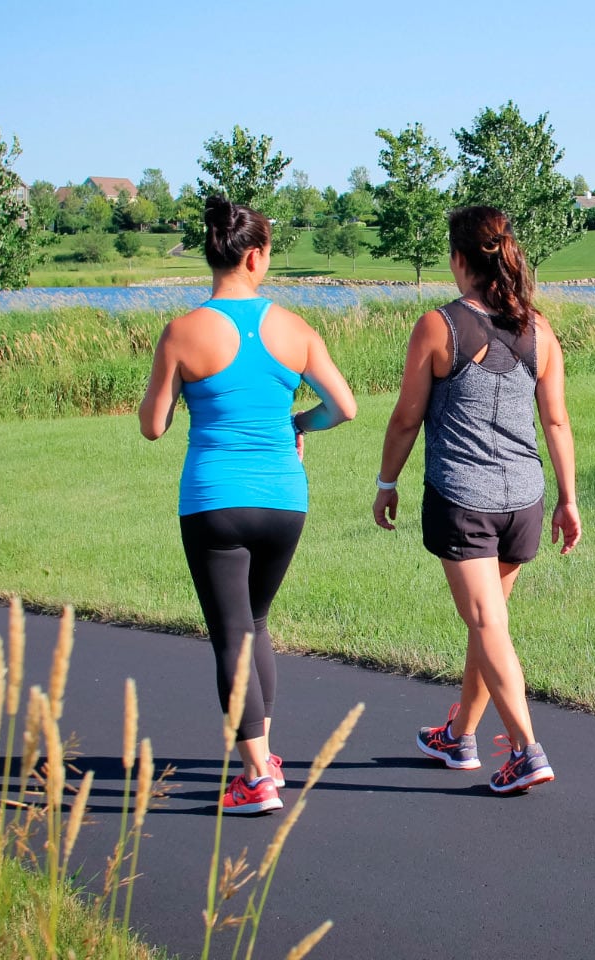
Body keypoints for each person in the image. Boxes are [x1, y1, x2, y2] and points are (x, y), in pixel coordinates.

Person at [138, 195, 356, 814]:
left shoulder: (182, 332)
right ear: (256, 257)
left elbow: (154, 426)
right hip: (285, 502)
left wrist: (181, 391)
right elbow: (344, 407)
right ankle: (267, 758)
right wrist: (298, 425)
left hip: (214, 501)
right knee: (255, 623)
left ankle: (255, 776)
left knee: (231, 632)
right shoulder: (295, 329)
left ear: (214, 254)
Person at [373, 205, 582, 794]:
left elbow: (406, 418)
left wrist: (387, 483)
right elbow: (557, 422)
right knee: (486, 624)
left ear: (460, 258)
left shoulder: (439, 326)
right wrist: (568, 499)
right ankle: (459, 734)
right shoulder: (540, 330)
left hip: (464, 499)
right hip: (524, 502)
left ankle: (525, 749)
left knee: (487, 621)